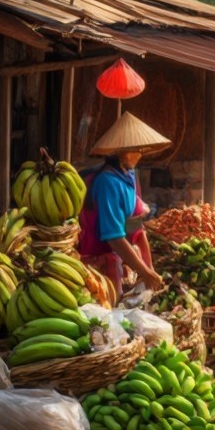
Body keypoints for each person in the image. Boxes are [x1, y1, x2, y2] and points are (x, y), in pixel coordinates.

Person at [78, 112, 169, 295]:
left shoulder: (129, 177)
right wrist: (144, 271)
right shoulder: (107, 182)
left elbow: (136, 227)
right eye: (137, 150)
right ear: (121, 153)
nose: (140, 156)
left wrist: (149, 269)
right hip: (97, 268)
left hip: (121, 263)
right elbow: (114, 237)